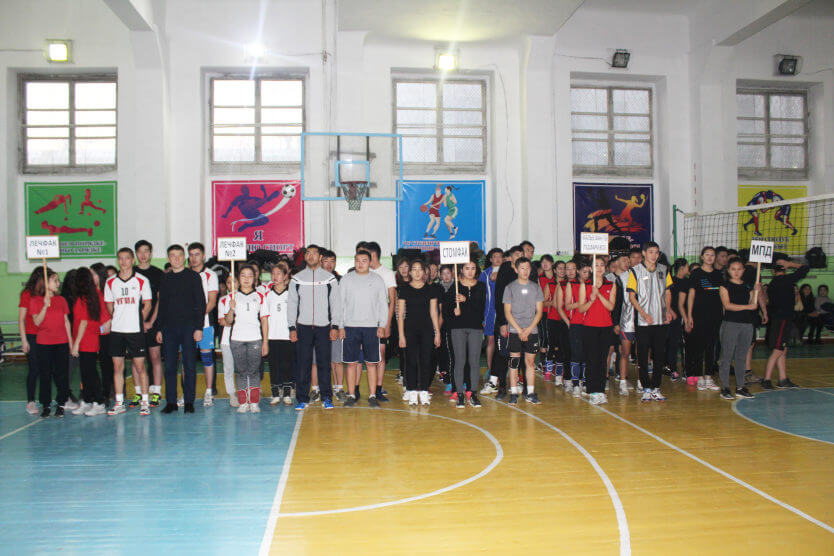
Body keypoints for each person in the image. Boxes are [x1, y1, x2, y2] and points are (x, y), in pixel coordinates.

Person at [288, 245, 342, 411]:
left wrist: (335, 326)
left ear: (320, 257)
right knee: (303, 364)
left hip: (324, 327)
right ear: (305, 257)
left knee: (324, 363)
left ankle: (327, 398)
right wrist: (291, 327)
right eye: (308, 253)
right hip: (303, 327)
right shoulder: (297, 279)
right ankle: (302, 399)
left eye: (314, 253)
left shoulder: (329, 279)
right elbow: (292, 304)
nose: (311, 256)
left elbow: (336, 304)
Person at [156, 245, 206, 414]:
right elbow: (162, 305)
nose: (176, 259)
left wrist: (199, 327)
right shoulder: (165, 279)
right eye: (173, 255)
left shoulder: (193, 277)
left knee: (190, 365)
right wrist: (159, 329)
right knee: (170, 366)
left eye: (179, 255)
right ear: (168, 258)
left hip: (189, 328)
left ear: (184, 257)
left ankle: (189, 401)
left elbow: (200, 303)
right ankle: (171, 402)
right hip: (169, 329)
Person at [104, 248, 153, 416]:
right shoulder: (110, 282)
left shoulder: (142, 280)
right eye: (120, 258)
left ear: (133, 260)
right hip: (117, 331)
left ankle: (145, 402)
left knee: (140, 367)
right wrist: (118, 317)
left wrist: (138, 319)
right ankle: (119, 402)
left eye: (126, 258)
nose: (123, 261)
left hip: (135, 331)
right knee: (117, 367)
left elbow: (148, 304)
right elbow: (109, 305)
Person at [339, 250, 389, 407]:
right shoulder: (346, 279)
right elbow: (340, 304)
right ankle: (351, 395)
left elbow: (383, 304)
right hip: (350, 327)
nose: (360, 264)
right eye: (357, 260)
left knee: (371, 363)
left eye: (364, 260)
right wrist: (340, 326)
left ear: (370, 262)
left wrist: (382, 325)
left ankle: (373, 396)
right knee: (351, 363)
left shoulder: (378, 280)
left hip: (371, 328)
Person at [627, 241, 674, 402]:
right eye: (651, 252)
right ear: (644, 253)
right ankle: (646, 387)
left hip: (660, 320)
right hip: (643, 321)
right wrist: (643, 313)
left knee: (659, 355)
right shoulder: (635, 271)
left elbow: (668, 292)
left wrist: (668, 310)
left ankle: (656, 387)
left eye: (656, 252)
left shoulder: (664, 270)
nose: (654, 255)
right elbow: (632, 296)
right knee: (642, 356)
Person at [220, 265, 269, 413]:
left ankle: (254, 402)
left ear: (254, 278)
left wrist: (265, 342)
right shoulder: (232, 297)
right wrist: (231, 309)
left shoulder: (260, 296)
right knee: (241, 372)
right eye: (243, 275)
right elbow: (228, 321)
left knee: (254, 372)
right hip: (236, 340)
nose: (246, 279)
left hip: (255, 339)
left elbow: (264, 320)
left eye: (250, 276)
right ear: (238, 278)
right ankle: (243, 402)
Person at [29, 268, 73, 418]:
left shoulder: (61, 300)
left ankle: (61, 403)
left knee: (62, 375)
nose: (58, 283)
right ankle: (46, 404)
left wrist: (71, 342)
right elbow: (37, 322)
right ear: (45, 283)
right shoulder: (35, 301)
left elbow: (66, 321)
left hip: (61, 342)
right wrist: (44, 306)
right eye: (54, 280)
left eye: (57, 280)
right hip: (44, 343)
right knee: (45, 375)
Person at [397, 260, 441, 406]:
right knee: (410, 361)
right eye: (414, 269)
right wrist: (401, 335)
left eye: (419, 269)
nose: (417, 272)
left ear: (424, 272)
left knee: (426, 360)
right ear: (410, 272)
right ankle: (411, 391)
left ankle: (423, 391)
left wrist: (437, 333)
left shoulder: (430, 289)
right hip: (409, 329)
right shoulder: (404, 289)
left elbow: (434, 312)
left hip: (427, 329)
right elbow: (400, 314)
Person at [444, 260, 486, 408]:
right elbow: (446, 309)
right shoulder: (455, 287)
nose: (470, 271)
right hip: (458, 327)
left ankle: (473, 393)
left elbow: (481, 307)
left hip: (475, 327)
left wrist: (466, 300)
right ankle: (460, 394)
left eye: (473, 268)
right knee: (459, 361)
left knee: (474, 361)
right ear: (461, 270)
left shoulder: (481, 286)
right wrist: (453, 311)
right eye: (467, 268)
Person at [761, 258, 808, 389]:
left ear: (773, 271)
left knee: (783, 349)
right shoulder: (787, 280)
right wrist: (790, 264)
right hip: (782, 320)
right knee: (778, 350)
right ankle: (766, 380)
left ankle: (783, 379)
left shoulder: (772, 283)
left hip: (778, 319)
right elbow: (805, 268)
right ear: (785, 269)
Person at [718, 258, 761, 400]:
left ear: (743, 270)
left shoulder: (748, 286)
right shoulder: (725, 286)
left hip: (747, 324)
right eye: (733, 269)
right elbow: (728, 305)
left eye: (739, 269)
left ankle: (740, 387)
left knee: (741, 357)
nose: (736, 272)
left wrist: (756, 292)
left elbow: (752, 304)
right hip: (730, 323)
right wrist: (748, 307)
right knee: (726, 357)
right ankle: (725, 387)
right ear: (728, 270)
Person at [70, 267, 111, 416]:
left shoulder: (87, 298)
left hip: (86, 339)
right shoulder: (93, 295)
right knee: (85, 372)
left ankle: (99, 402)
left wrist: (76, 344)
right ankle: (87, 400)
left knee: (90, 372)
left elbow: (84, 322)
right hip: (88, 338)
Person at [503, 257, 544, 405]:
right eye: (522, 268)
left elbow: (539, 312)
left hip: (531, 331)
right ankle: (514, 393)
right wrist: (520, 331)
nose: (525, 271)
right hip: (515, 331)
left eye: (528, 268)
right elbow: (507, 313)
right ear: (516, 269)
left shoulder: (536, 287)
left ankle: (531, 393)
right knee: (514, 362)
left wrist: (529, 330)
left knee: (530, 362)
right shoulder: (509, 288)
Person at [484, 245, 523, 398]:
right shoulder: (504, 270)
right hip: (504, 320)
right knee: (501, 353)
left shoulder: (526, 271)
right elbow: (499, 297)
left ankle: (517, 383)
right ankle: (499, 386)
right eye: (516, 254)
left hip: (521, 321)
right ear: (511, 257)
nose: (519, 256)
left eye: (522, 254)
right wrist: (502, 322)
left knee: (518, 353)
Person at [578, 257, 617, 405]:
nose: (599, 268)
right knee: (592, 359)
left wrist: (599, 294)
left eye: (602, 265)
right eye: (596, 265)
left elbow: (611, 307)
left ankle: (600, 390)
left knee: (602, 359)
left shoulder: (611, 285)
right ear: (591, 268)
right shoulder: (585, 285)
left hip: (606, 326)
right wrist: (591, 299)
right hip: (590, 327)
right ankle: (593, 390)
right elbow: (581, 308)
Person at [685, 247, 723, 391]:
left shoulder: (719, 274)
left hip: (715, 316)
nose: (710, 257)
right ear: (702, 257)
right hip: (699, 315)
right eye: (707, 254)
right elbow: (691, 295)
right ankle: (699, 377)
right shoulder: (696, 274)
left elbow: (722, 295)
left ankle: (708, 377)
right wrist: (689, 315)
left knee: (711, 347)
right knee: (699, 347)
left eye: (712, 255)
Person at [134, 240, 165, 407]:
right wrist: (137, 322)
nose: (143, 255)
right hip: (133, 324)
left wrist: (150, 321)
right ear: (136, 254)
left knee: (155, 357)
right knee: (136, 359)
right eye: (140, 251)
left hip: (153, 322)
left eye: (146, 251)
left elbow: (160, 300)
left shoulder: (158, 274)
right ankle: (139, 392)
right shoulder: (130, 273)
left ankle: (156, 392)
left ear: (151, 253)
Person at [366, 241, 397, 402]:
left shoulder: (387, 273)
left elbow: (392, 300)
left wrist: (388, 323)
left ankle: (378, 388)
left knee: (381, 354)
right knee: (367, 357)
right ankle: (361, 390)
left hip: (381, 321)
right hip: (364, 321)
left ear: (374, 255)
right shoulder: (364, 272)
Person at [263, 261, 296, 406]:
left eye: (279, 273)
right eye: (273, 273)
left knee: (287, 365)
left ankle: (287, 394)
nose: (275, 276)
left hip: (287, 336)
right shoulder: (268, 295)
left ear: (285, 275)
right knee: (274, 366)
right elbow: (264, 318)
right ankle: (275, 394)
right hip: (272, 336)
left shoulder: (291, 293)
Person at [19, 268, 44, 415]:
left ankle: (46, 399)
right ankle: (31, 401)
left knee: (48, 369)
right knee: (34, 369)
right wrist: (24, 340)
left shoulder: (46, 295)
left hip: (46, 336)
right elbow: (21, 319)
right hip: (32, 336)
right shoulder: (27, 294)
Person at [90, 263, 115, 403]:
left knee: (107, 365)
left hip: (108, 333)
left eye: (93, 273)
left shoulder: (109, 290)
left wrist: (111, 321)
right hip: (94, 332)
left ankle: (107, 392)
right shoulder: (90, 293)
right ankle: (94, 392)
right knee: (92, 365)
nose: (91, 276)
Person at [565, 262, 589, 397]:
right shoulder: (572, 284)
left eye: (588, 271)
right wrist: (581, 303)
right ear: (578, 271)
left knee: (586, 354)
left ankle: (585, 382)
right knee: (576, 354)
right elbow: (567, 306)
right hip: (576, 323)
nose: (586, 274)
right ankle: (575, 384)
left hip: (590, 323)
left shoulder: (592, 285)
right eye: (583, 271)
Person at [479, 248, 503, 381]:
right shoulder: (485, 274)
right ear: (491, 259)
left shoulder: (507, 272)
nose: (498, 259)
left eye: (500, 256)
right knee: (491, 340)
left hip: (503, 311)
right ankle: (490, 369)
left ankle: (502, 370)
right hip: (490, 312)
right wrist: (482, 316)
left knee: (503, 342)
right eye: (495, 256)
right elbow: (481, 296)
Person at [217, 275, 239, 407]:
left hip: (243, 338)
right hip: (227, 340)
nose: (231, 285)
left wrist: (231, 321)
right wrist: (232, 321)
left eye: (234, 281)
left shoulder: (244, 298)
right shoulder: (223, 300)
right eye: (228, 282)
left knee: (243, 369)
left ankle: (245, 392)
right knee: (229, 368)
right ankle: (232, 394)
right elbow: (223, 322)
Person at [537, 255, 556, 377]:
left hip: (556, 312)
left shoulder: (557, 277)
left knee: (553, 337)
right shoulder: (539, 278)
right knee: (544, 337)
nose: (545, 264)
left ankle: (552, 362)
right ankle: (542, 363)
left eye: (547, 262)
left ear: (552, 263)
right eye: (542, 262)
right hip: (543, 311)